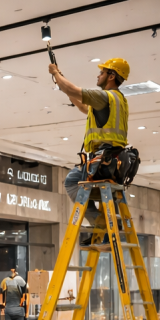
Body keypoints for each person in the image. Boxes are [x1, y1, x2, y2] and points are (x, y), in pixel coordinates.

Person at [49, 59, 130, 239]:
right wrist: (61, 82)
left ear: (111, 76)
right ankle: (107, 228)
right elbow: (82, 106)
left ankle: (100, 225)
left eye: (101, 73)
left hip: (103, 160)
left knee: (71, 181)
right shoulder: (118, 100)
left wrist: (55, 73)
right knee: (78, 181)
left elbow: (73, 90)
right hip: (116, 160)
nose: (97, 75)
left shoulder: (104, 97)